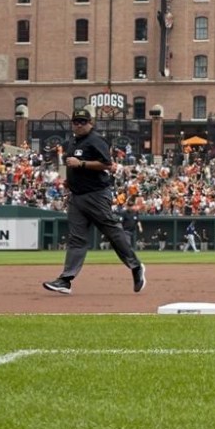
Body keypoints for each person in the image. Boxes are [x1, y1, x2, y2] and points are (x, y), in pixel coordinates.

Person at [43, 108, 146, 295]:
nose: (80, 124)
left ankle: (136, 266)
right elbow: (73, 166)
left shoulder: (96, 140)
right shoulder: (73, 141)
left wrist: (81, 164)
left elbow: (107, 164)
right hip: (77, 196)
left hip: (96, 194)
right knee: (76, 239)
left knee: (113, 233)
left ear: (91, 123)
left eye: (83, 121)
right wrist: (69, 182)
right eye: (76, 121)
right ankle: (65, 280)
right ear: (72, 124)